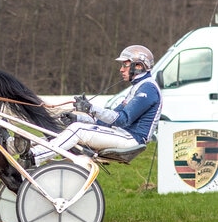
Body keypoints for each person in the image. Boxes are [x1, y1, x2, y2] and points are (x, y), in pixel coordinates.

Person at [17, 45, 163, 168]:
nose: (121, 69)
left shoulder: (147, 89)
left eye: (125, 64)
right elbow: (109, 119)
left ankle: (34, 157)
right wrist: (78, 118)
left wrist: (90, 108)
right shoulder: (138, 87)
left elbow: (122, 120)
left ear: (138, 66)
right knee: (69, 127)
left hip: (132, 139)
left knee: (78, 130)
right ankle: (19, 147)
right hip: (121, 134)